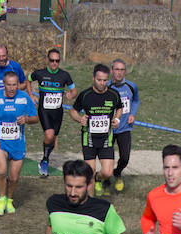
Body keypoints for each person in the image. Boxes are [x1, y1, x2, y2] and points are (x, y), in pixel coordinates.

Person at [0, 71, 38, 215]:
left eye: (15, 85)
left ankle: (9, 199)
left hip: (17, 143)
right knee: (1, 170)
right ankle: (1, 198)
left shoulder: (24, 98)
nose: (12, 88)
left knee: (14, 177)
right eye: (9, 85)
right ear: (4, 84)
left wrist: (26, 120)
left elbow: (35, 118)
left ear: (18, 85)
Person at [70, 64, 122, 196]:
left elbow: (120, 108)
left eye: (105, 80)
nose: (102, 83)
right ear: (93, 78)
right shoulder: (85, 95)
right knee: (90, 172)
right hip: (89, 139)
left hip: (106, 139)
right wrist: (79, 119)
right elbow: (73, 111)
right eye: (99, 80)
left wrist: (117, 119)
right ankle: (91, 203)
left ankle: (99, 179)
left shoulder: (113, 94)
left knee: (107, 173)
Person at [30, 47, 76, 178]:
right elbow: (28, 80)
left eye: (57, 61)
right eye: (52, 60)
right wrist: (30, 95)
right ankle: (45, 160)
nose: (54, 63)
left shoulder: (65, 75)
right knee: (49, 136)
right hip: (44, 110)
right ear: (47, 60)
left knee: (53, 139)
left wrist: (71, 95)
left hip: (58, 112)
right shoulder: (39, 73)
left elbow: (74, 90)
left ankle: (45, 158)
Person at [108, 59, 139, 192]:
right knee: (108, 160)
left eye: (122, 70)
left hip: (125, 128)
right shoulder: (106, 86)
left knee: (125, 158)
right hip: (108, 129)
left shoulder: (131, 86)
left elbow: (136, 100)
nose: (119, 73)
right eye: (116, 69)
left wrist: (132, 113)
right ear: (111, 71)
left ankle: (118, 172)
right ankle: (103, 180)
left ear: (125, 71)